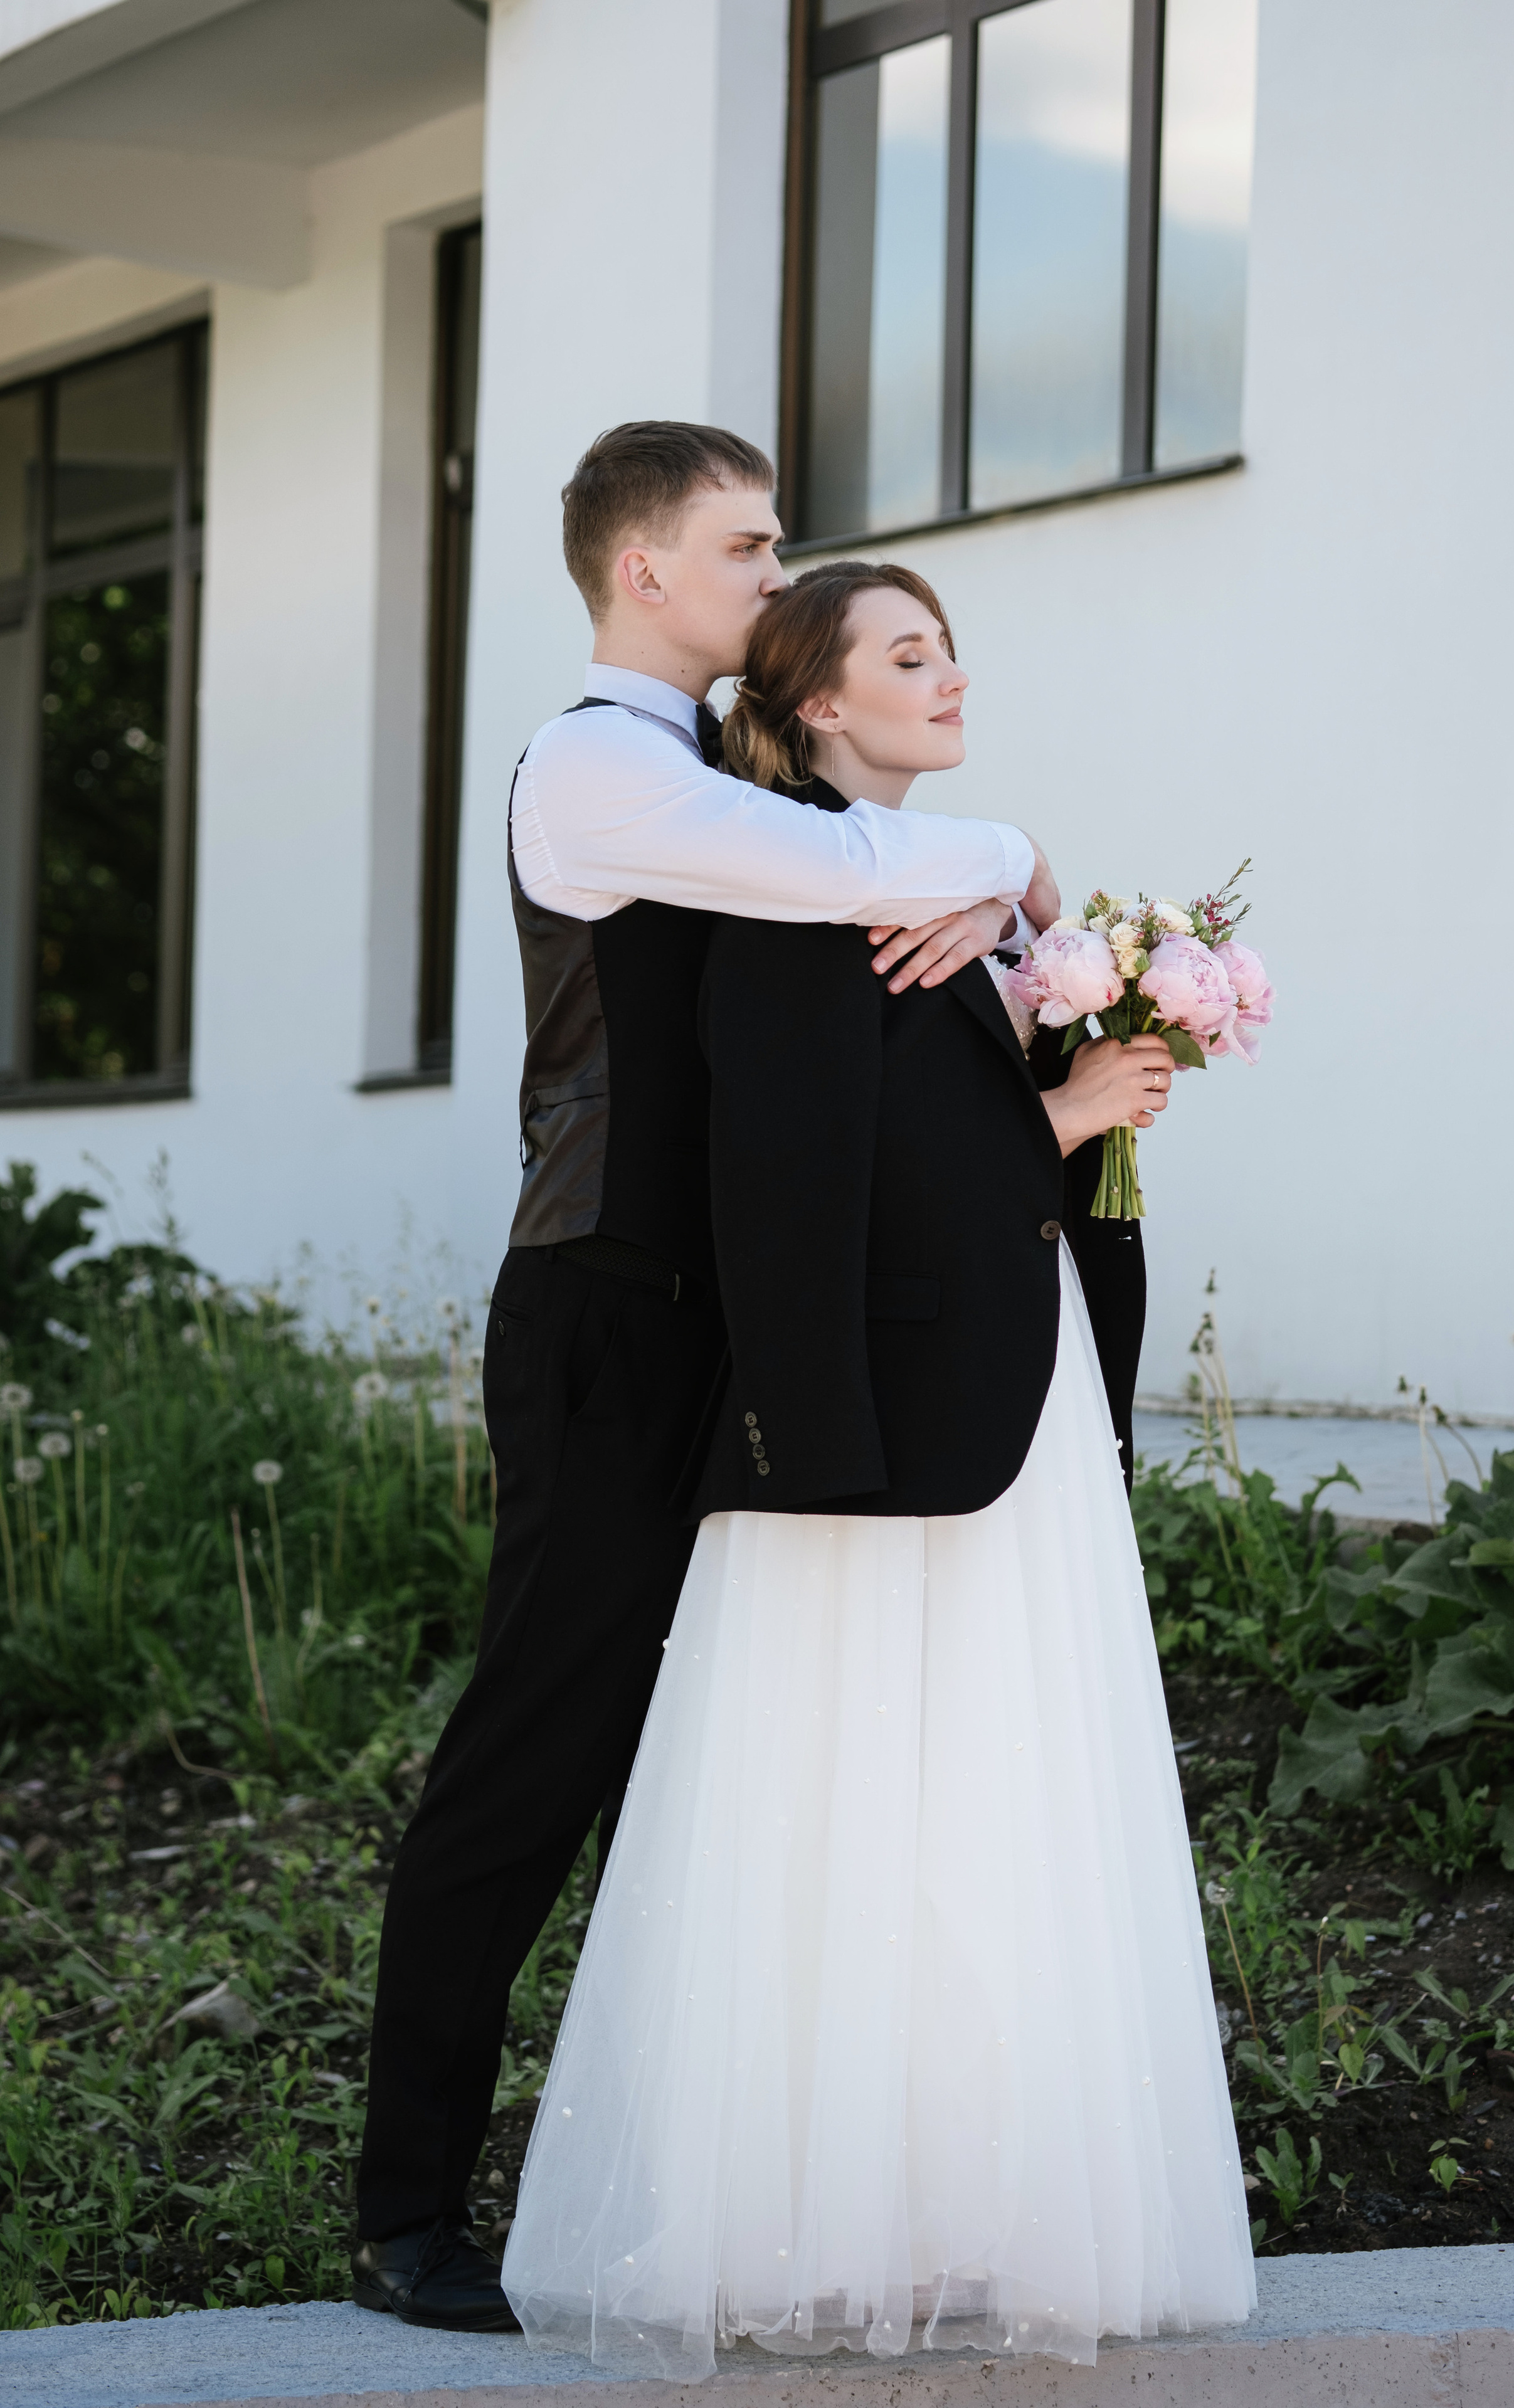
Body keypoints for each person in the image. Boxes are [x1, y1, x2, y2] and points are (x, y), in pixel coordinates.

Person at [499, 562, 1256, 2376]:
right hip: (870, 1434)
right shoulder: (790, 893)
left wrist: (1070, 1062)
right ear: (821, 706)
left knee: (1003, 1799)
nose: (952, 675)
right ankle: (819, 2232)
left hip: (1019, 1399)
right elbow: (807, 1186)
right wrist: (1066, 1113)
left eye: (954, 647)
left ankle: (975, 2213)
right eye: (907, 656)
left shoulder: (963, 894)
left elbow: (958, 1134)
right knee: (847, 1806)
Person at [352, 426, 1062, 2332]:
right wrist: (1000, 859)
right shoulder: (598, 764)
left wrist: (993, 892)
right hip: (603, 1311)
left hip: (732, 1319)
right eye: (748, 549)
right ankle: (405, 2204)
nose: (777, 575)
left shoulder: (720, 766)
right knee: (541, 1747)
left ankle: (717, 2188)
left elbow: (880, 895)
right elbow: (842, 865)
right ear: (641, 573)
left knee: (736, 1763)